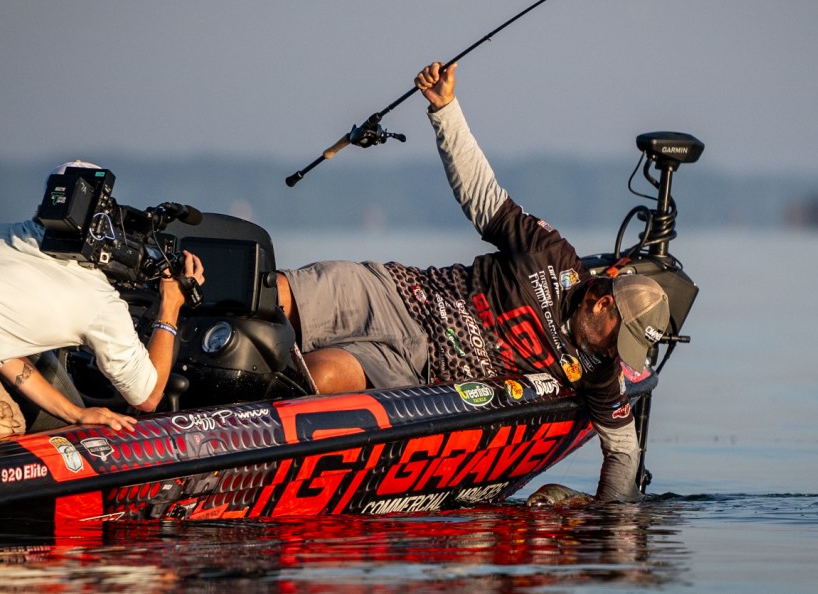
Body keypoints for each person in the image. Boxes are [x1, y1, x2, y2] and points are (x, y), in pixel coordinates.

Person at [276, 62, 670, 502]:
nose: (615, 354)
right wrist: (445, 109)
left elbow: (624, 451)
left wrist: (603, 516)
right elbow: (482, 195)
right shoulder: (550, 253)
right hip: (397, 293)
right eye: (619, 339)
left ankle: (233, 428)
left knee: (321, 375)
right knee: (275, 294)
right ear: (601, 303)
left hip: (415, 369)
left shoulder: (599, 372)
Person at [0, 161, 205, 457]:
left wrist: (75, 413)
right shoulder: (97, 299)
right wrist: (171, 304)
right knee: (5, 421)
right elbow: (147, 397)